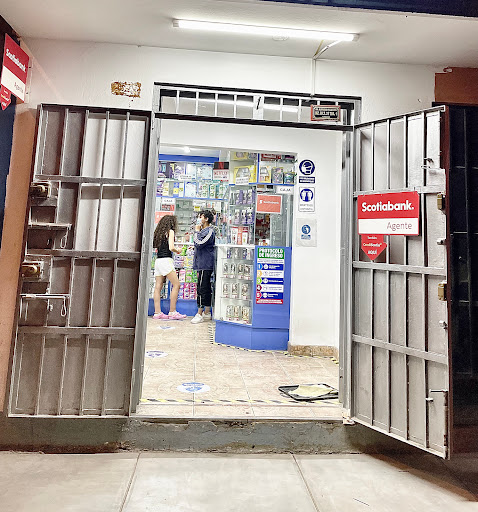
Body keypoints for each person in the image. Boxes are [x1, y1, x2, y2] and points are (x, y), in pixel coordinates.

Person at [152, 215, 186, 320]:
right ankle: (172, 311)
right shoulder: (170, 232)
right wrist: (178, 250)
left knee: (158, 286)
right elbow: (171, 247)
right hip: (166, 260)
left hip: (158, 261)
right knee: (176, 285)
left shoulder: (158, 233)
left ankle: (157, 312)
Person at [191, 209, 215, 324]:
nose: (199, 219)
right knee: (204, 287)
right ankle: (206, 312)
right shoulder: (203, 231)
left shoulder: (209, 231)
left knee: (202, 288)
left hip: (205, 264)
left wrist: (196, 231)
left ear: (206, 219)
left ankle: (200, 313)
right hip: (201, 264)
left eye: (201, 216)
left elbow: (199, 244)